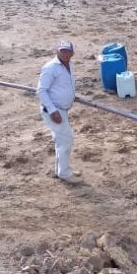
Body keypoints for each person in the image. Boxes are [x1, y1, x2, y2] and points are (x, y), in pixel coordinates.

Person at [38, 40, 82, 184]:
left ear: (72, 53)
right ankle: (64, 173)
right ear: (57, 51)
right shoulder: (50, 68)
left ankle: (61, 170)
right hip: (54, 110)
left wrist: (72, 95)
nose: (65, 54)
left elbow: (65, 84)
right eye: (62, 51)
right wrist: (53, 111)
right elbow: (41, 90)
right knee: (66, 140)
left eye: (67, 51)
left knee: (61, 140)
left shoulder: (70, 65)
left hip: (62, 109)